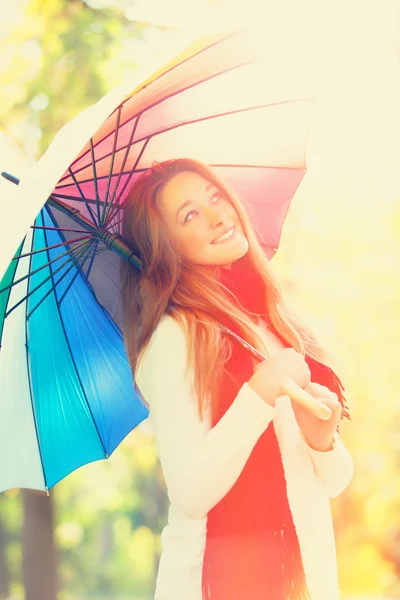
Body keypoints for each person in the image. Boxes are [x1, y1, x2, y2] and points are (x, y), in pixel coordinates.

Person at [119, 158, 354, 600]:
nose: (217, 215)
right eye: (190, 215)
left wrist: (323, 439)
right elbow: (189, 491)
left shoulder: (272, 324)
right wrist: (259, 394)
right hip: (220, 581)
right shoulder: (175, 336)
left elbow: (335, 481)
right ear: (167, 247)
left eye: (215, 197)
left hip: (300, 578)